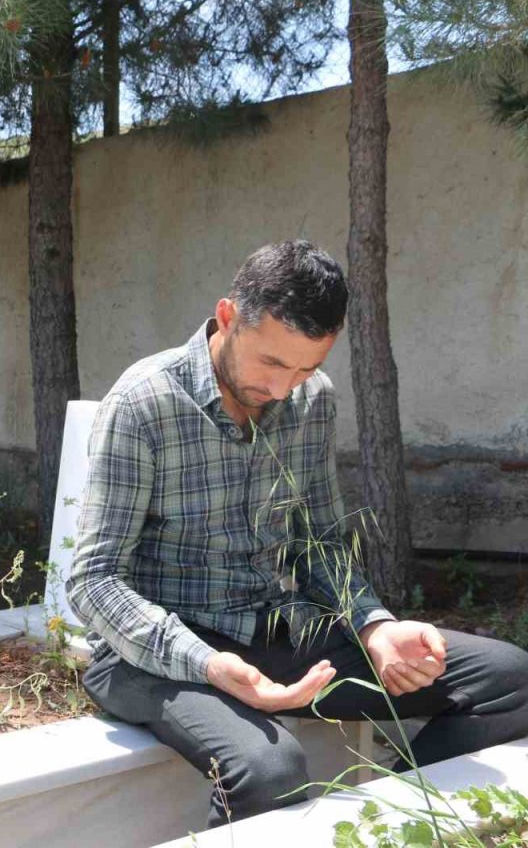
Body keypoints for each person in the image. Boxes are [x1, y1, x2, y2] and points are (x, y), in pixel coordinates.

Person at [68, 240, 528, 826]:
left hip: (277, 633)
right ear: (230, 317)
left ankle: (387, 831)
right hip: (154, 654)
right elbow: (94, 580)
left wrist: (374, 626)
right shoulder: (143, 403)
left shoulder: (313, 399)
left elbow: (322, 544)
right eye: (273, 364)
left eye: (307, 367)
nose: (286, 389)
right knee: (271, 771)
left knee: (508, 680)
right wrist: (207, 663)